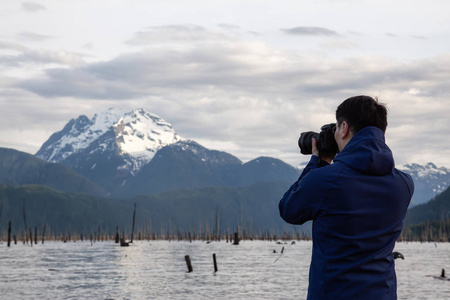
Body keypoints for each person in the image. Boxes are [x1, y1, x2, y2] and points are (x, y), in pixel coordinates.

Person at [279, 95, 414, 300]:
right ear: (382, 132)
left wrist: (320, 160)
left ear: (343, 128)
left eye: (336, 129)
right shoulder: (404, 184)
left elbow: (289, 210)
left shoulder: (326, 180)